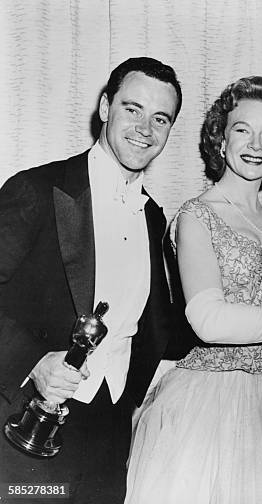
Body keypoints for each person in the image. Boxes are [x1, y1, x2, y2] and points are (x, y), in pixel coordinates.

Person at [125, 76, 262, 504]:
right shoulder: (196, 215)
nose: (255, 144)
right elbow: (209, 321)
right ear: (220, 139)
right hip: (210, 403)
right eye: (242, 129)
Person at [0, 57, 184, 503]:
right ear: (105, 108)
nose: (145, 128)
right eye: (132, 109)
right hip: (26, 423)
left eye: (161, 118)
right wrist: (33, 362)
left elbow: (167, 329)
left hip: (110, 432)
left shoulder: (154, 217)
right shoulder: (36, 188)